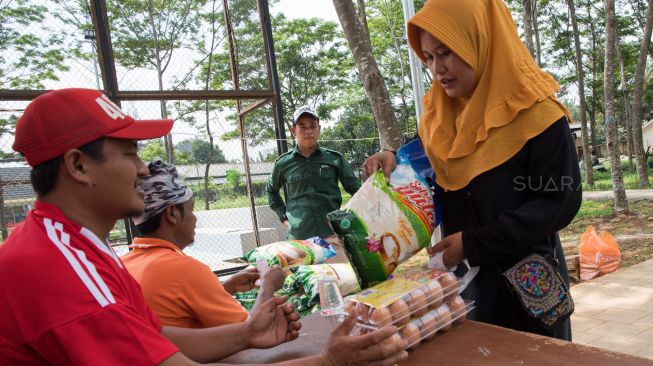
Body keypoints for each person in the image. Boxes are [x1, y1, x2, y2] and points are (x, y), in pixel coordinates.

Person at [0, 88, 408, 365]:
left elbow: (156, 337)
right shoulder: (58, 267)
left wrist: (246, 334)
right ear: (77, 165)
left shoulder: (79, 245)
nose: (142, 168)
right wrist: (328, 360)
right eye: (128, 153)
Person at [363, 0, 581, 341]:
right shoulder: (438, 118)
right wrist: (394, 162)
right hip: (465, 286)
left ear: (479, 41)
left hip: (528, 289)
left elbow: (558, 202)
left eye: (446, 52)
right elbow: (422, 174)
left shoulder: (540, 116)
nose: (437, 68)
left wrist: (474, 243)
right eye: (429, 57)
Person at [123, 160, 287, 328]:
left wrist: (224, 288)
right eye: (191, 210)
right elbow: (253, 330)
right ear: (172, 213)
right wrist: (268, 285)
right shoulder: (185, 270)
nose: (195, 219)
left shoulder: (123, 266)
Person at [266, 106, 361, 260]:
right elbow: (271, 190)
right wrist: (283, 217)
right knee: (305, 282)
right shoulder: (283, 163)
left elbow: (357, 190)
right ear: (293, 130)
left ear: (319, 129)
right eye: (302, 126)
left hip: (332, 236)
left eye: (312, 126)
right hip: (299, 239)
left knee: (340, 280)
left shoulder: (334, 159)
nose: (308, 131)